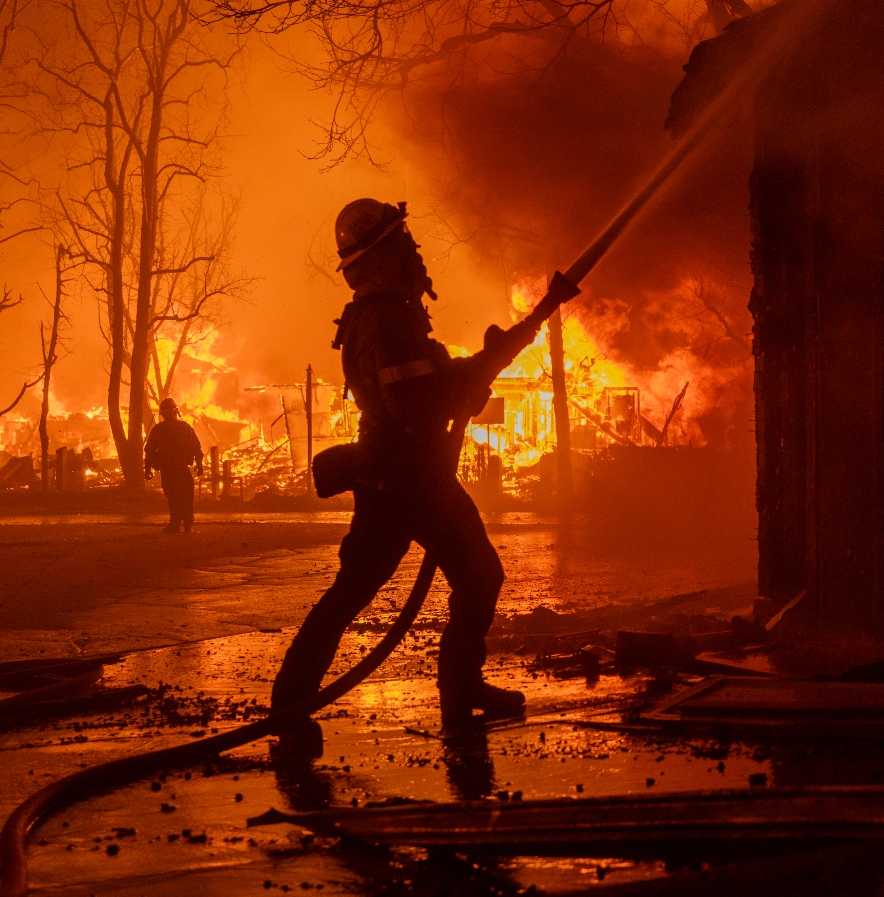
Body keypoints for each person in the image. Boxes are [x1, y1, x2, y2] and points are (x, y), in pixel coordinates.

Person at [271, 199, 575, 748]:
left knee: (382, 588)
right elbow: (416, 403)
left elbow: (435, 383)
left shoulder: (384, 312)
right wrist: (470, 383)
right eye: (402, 242)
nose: (414, 251)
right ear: (381, 255)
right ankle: (305, 701)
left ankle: (300, 698)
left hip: (406, 475)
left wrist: (510, 341)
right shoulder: (386, 318)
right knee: (458, 579)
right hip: (406, 478)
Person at [144, 399, 203, 533]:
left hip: (170, 469)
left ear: (162, 414)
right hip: (178, 468)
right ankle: (185, 523)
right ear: (176, 411)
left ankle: (176, 523)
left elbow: (150, 451)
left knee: (174, 496)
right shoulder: (184, 428)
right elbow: (196, 447)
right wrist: (199, 464)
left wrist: (147, 469)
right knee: (184, 495)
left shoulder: (159, 430)